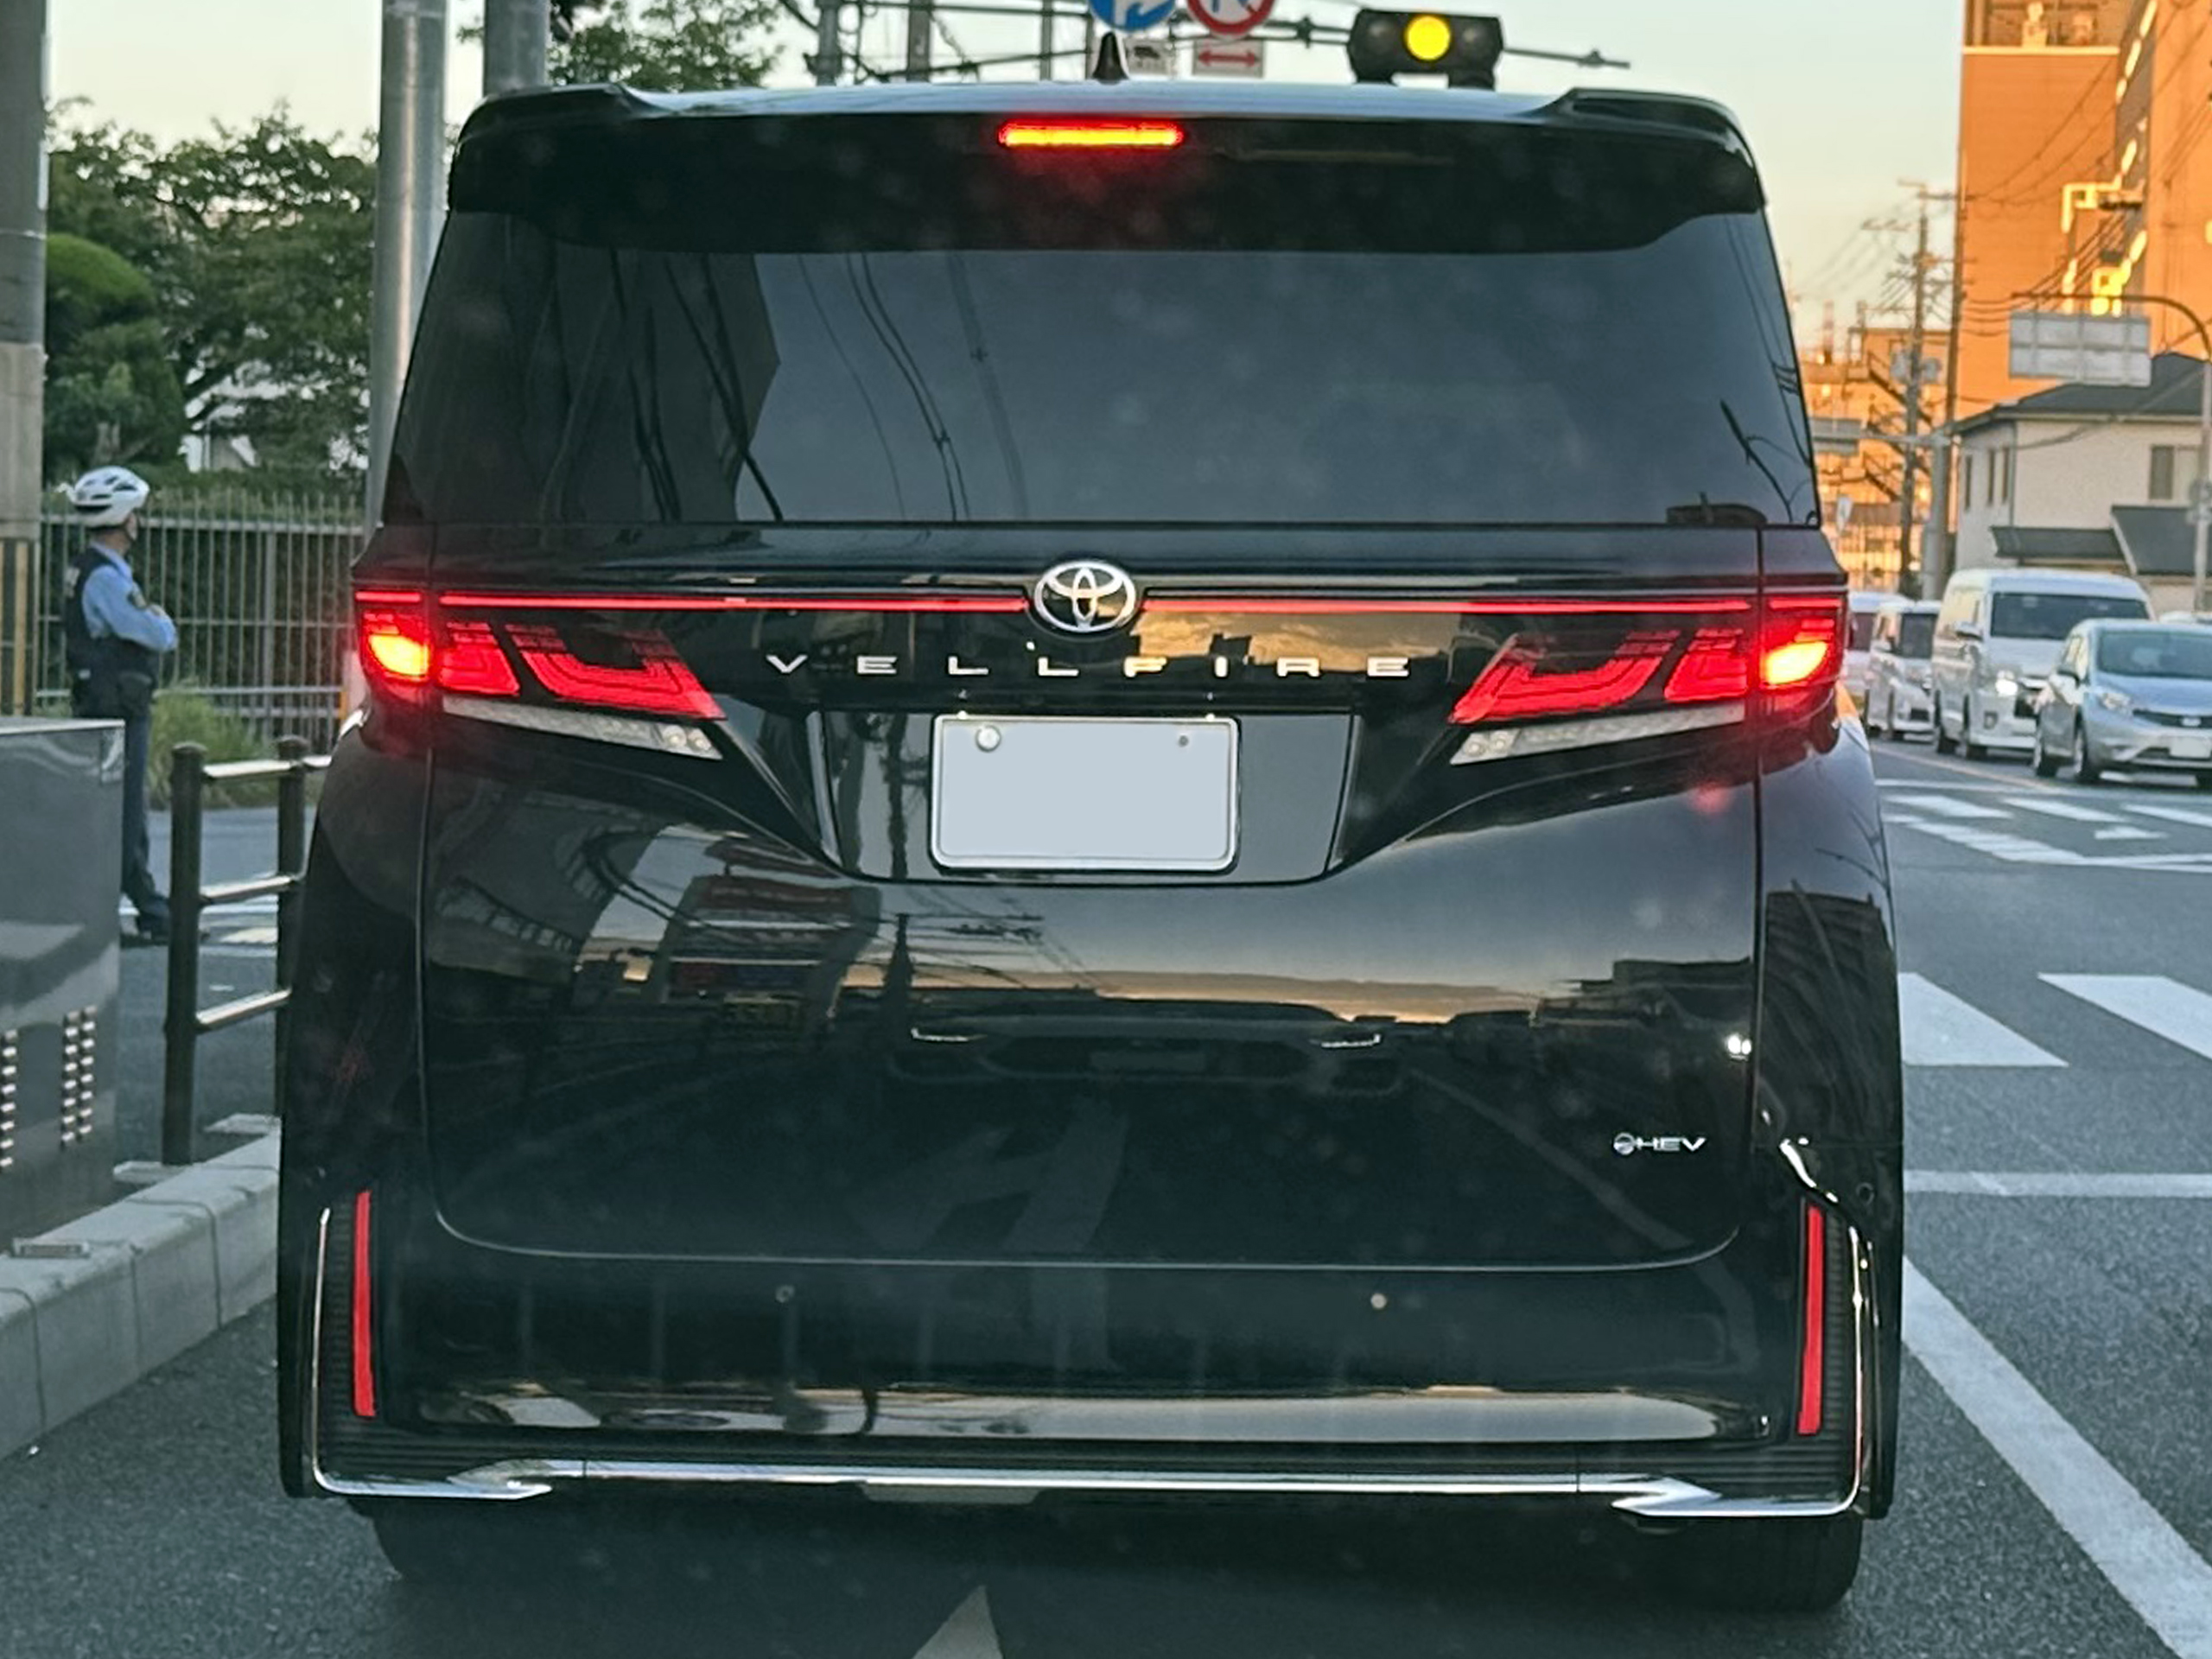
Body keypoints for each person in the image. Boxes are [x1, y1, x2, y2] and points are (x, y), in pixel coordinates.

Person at [61, 467, 178, 944]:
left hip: (102, 701)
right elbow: (156, 633)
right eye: (136, 513)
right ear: (124, 518)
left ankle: (133, 907)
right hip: (119, 706)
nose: (140, 522)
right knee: (125, 812)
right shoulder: (108, 581)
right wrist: (159, 619)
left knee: (111, 811)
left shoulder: (88, 569)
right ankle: (146, 909)